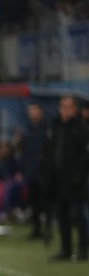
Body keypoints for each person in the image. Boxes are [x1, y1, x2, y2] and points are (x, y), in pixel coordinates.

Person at [42, 95, 89, 261]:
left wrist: (79, 175)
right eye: (62, 106)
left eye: (68, 107)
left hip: (75, 180)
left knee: (79, 215)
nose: (64, 110)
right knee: (62, 216)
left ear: (74, 109)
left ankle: (83, 248)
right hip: (58, 179)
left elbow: (85, 155)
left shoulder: (81, 127)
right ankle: (66, 249)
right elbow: (49, 150)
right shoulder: (55, 126)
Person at [18, 102, 48, 239]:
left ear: (41, 112)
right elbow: (25, 152)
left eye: (35, 110)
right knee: (34, 202)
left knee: (45, 202)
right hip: (31, 172)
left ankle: (47, 230)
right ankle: (36, 230)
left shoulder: (46, 129)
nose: (33, 113)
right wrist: (22, 170)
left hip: (43, 171)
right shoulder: (28, 129)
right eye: (31, 110)